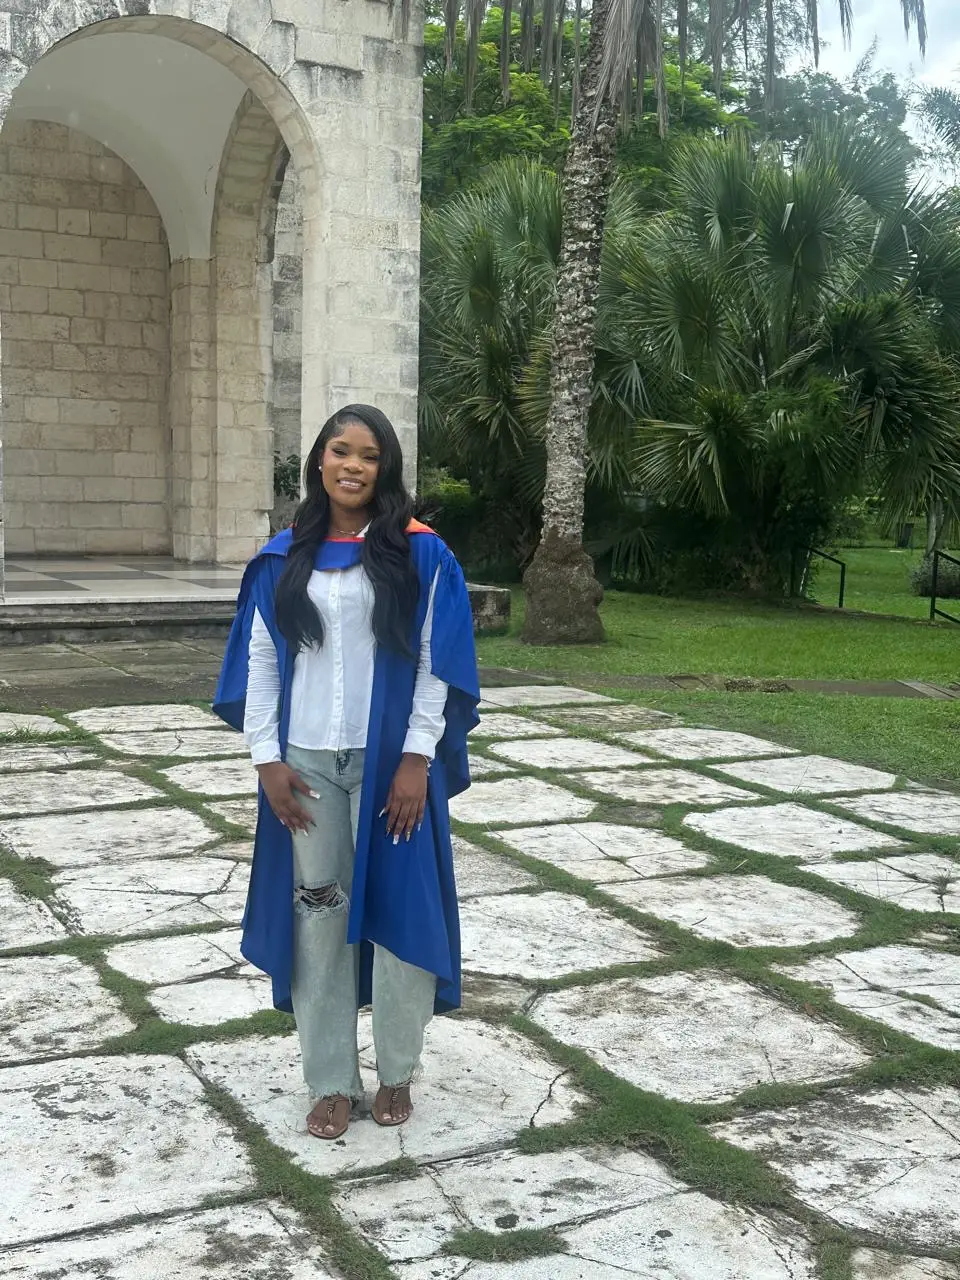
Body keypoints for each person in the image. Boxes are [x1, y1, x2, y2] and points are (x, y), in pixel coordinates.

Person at [214, 404, 479, 1141]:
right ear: (320, 462)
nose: (353, 465)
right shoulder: (284, 556)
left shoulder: (419, 554)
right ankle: (331, 1079)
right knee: (318, 919)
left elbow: (435, 663)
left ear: (384, 467)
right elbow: (263, 661)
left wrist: (417, 759)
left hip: (390, 767)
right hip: (306, 769)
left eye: (368, 455)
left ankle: (396, 1070)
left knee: (398, 918)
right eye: (340, 451)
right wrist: (265, 759)